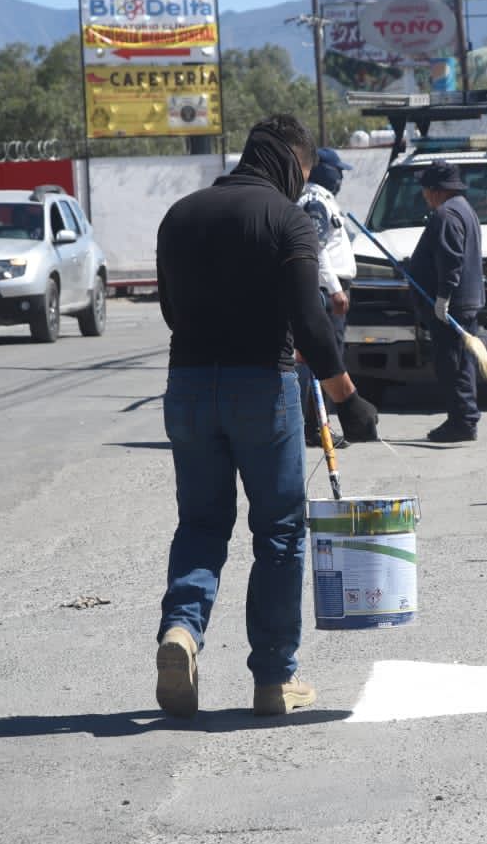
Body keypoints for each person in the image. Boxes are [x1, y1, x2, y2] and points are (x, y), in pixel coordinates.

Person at [153, 113, 380, 720]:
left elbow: (171, 310)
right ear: (289, 161)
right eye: (304, 173)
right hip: (264, 387)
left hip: (189, 386)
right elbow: (310, 321)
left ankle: (181, 632)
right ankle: (275, 678)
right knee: (277, 533)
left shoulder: (180, 216)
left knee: (201, 524)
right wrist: (348, 401)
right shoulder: (288, 220)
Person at [407, 159, 484, 443]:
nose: (424, 195)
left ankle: (461, 421)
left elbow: (451, 259)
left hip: (453, 304)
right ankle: (465, 416)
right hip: (465, 301)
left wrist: (443, 297)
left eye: (426, 189)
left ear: (437, 190)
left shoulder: (446, 215)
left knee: (451, 363)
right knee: (461, 362)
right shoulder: (464, 210)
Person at [296, 147, 358, 448]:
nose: (342, 177)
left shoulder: (322, 200)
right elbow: (315, 248)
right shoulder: (315, 201)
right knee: (322, 360)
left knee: (324, 359)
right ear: (326, 170)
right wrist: (334, 288)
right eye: (339, 171)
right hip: (326, 292)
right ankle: (316, 426)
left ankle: (318, 425)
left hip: (330, 289)